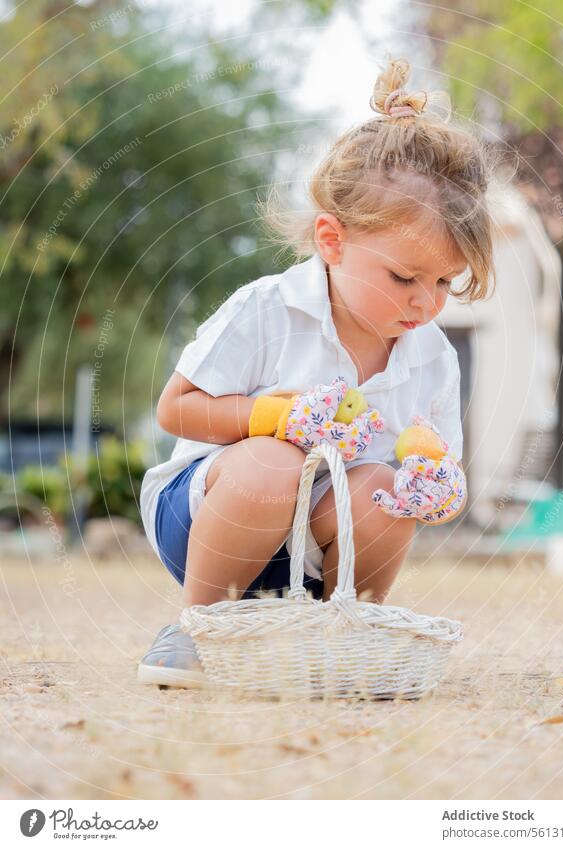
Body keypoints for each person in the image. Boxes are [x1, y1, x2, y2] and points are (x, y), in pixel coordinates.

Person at [137, 56, 497, 688]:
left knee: (384, 490)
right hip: (209, 520)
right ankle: (200, 629)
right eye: (404, 278)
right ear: (332, 241)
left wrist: (437, 487)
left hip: (319, 550)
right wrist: (272, 416)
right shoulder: (269, 309)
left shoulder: (432, 355)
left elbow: (440, 463)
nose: (426, 302)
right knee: (274, 460)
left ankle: (344, 635)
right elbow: (177, 407)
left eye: (445, 281)